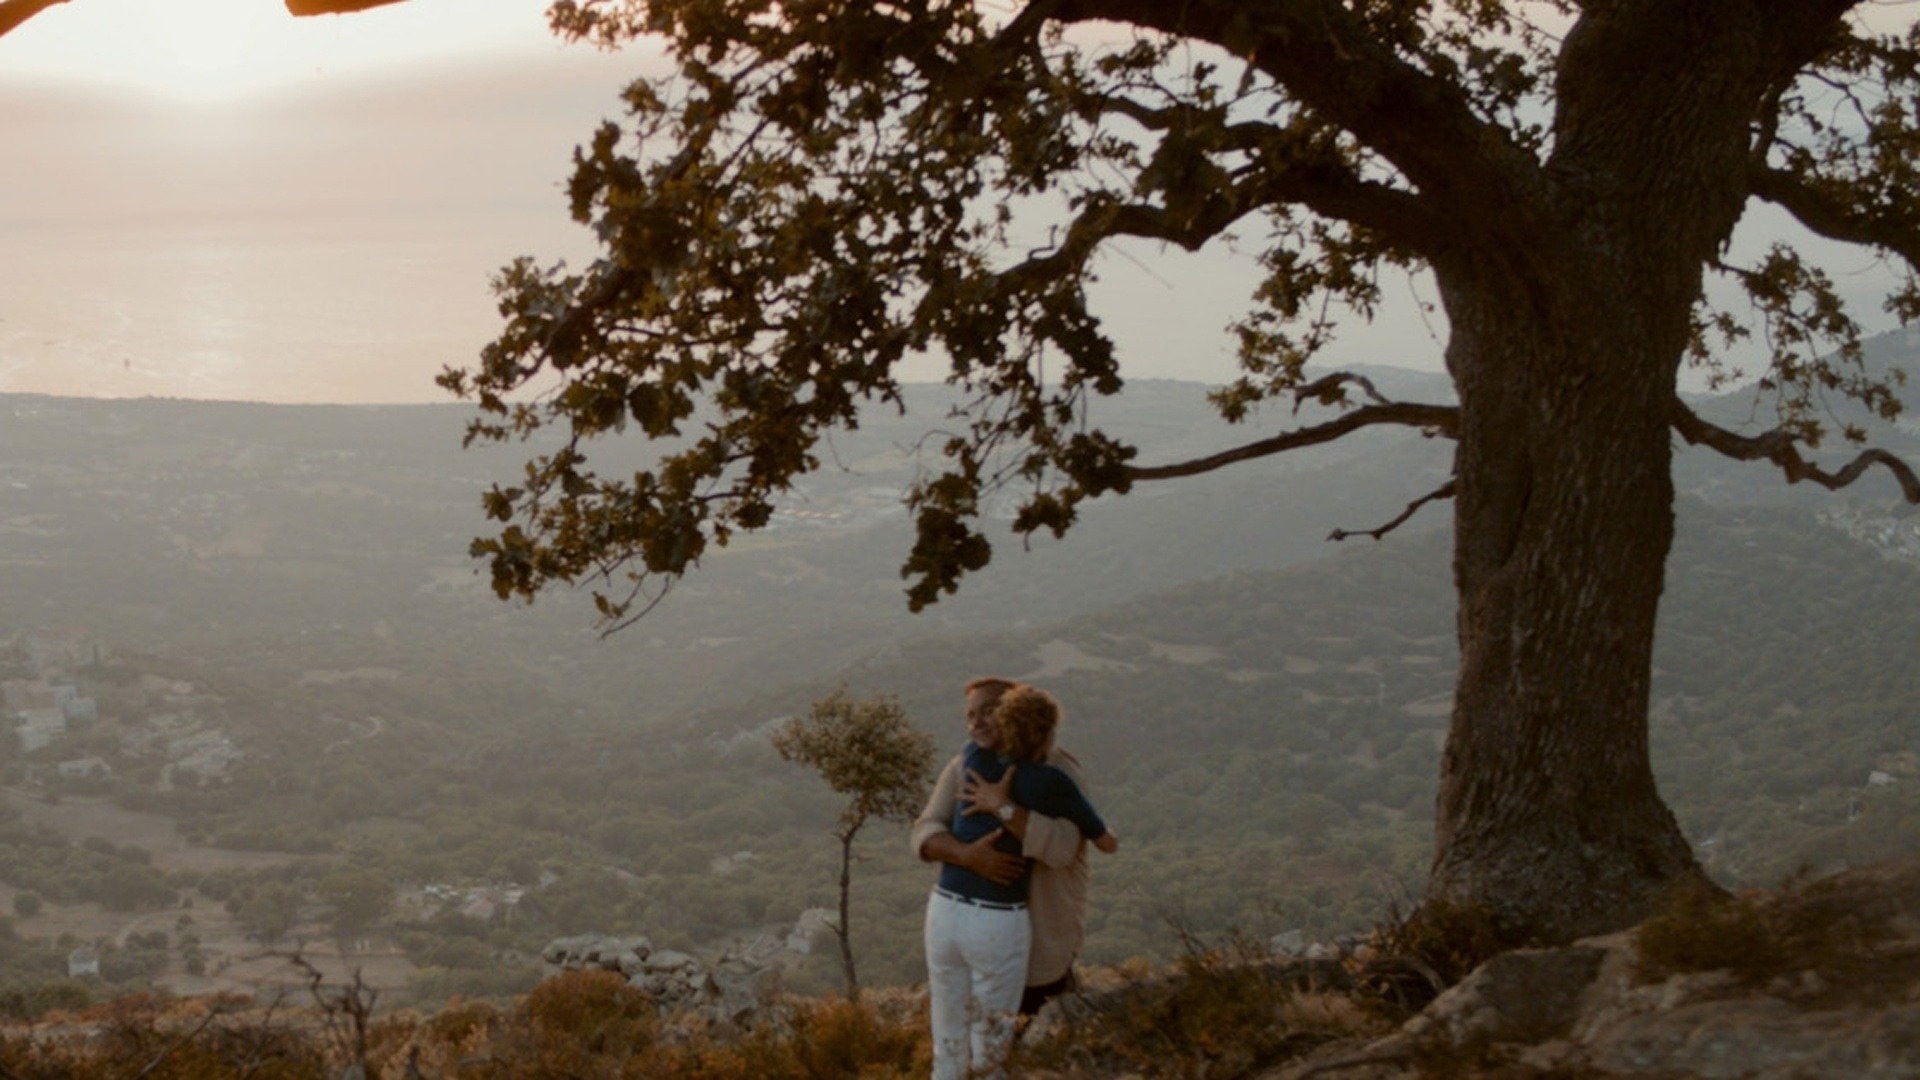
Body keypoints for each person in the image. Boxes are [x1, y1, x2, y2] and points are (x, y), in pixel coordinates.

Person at [912, 679, 1114, 1080]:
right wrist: (966, 855)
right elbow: (925, 829)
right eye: (970, 714)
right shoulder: (966, 763)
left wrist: (1004, 808)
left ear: (1014, 713)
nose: (977, 723)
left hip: (1039, 938)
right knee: (966, 1045)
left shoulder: (1057, 770)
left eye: (988, 711)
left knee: (1026, 1052)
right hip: (977, 926)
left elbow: (1063, 847)